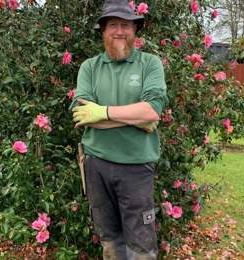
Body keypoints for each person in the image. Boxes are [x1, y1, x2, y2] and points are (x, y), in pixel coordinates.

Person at [69, 0, 168, 259]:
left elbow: (152, 111)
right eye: (113, 24)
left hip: (136, 167)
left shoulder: (150, 64)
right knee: (110, 238)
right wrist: (135, 117)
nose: (120, 31)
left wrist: (102, 112)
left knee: (141, 244)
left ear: (135, 30)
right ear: (103, 31)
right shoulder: (90, 67)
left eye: (126, 25)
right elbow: (81, 116)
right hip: (96, 165)